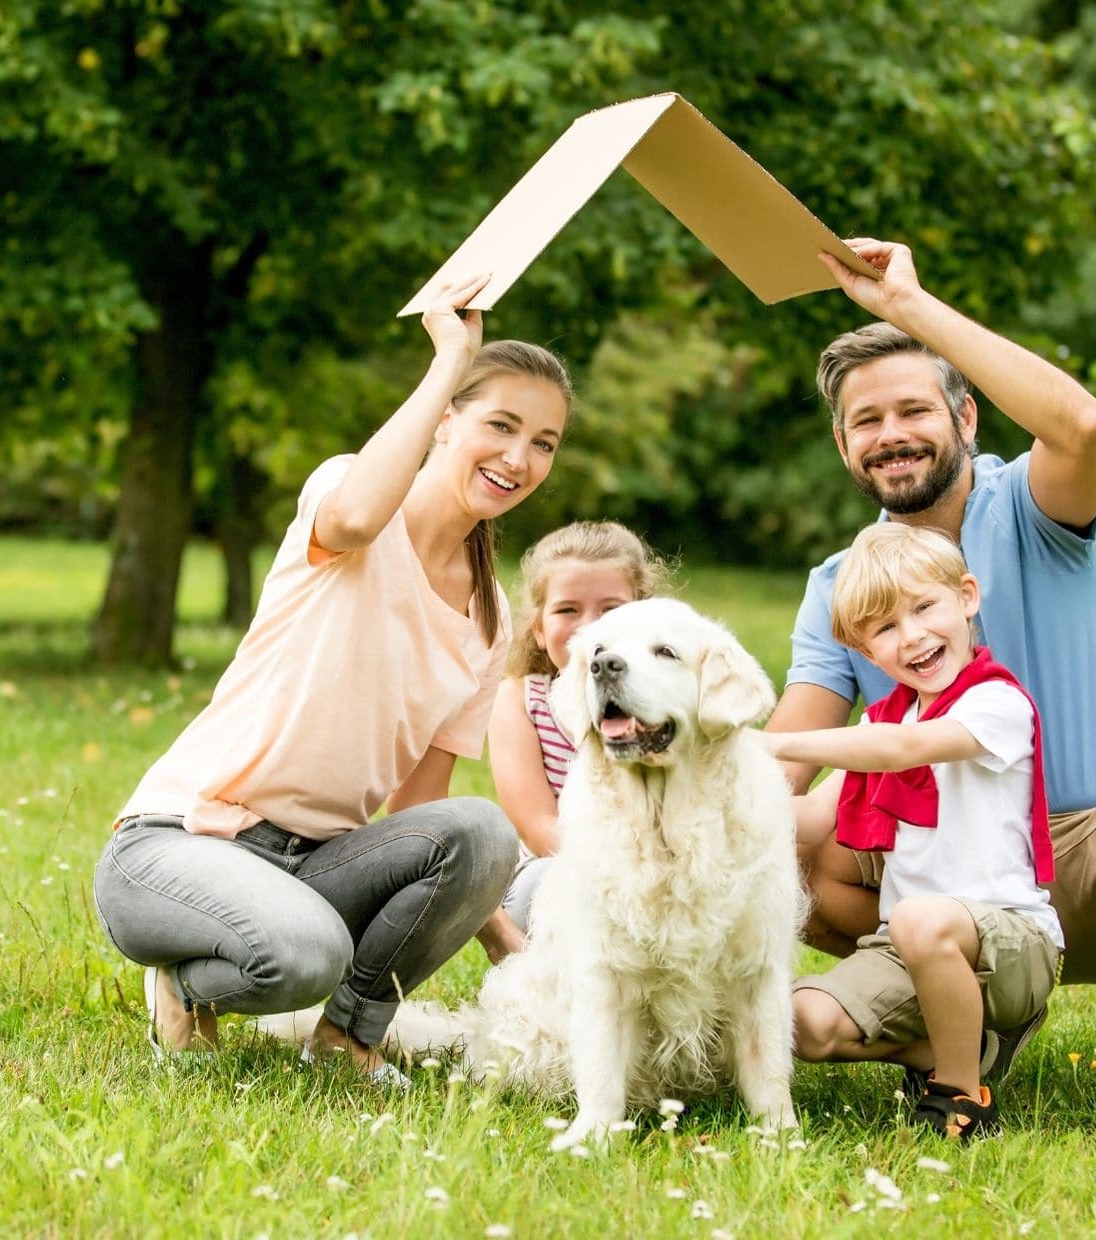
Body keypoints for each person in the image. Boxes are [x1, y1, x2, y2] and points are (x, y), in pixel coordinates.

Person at [768, 237, 1096, 1137]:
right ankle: (949, 1036)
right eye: (865, 421)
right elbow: (780, 770)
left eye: (914, 409)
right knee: (776, 843)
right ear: (842, 444)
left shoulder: (1036, 506)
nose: (891, 435)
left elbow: (1082, 425)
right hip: (947, 878)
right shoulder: (843, 581)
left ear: (967, 421)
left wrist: (904, 306)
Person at [91, 275, 567, 1086]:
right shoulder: (350, 501)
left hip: (315, 865)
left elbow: (422, 813)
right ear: (446, 419)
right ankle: (182, 980)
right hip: (179, 846)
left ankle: (348, 1041)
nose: (519, 459)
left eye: (545, 443)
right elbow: (353, 518)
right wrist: (449, 358)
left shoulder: (489, 617)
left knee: (483, 830)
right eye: (500, 425)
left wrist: (511, 953)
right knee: (303, 957)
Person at [766, 522, 1059, 1140]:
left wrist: (772, 742)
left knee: (920, 917)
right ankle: (951, 1047)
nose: (914, 636)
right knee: (796, 1022)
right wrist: (704, 805)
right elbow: (814, 818)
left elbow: (904, 748)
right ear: (868, 654)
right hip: (908, 948)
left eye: (925, 607)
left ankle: (961, 1095)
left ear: (967, 597)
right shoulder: (885, 718)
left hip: (1013, 942)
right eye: (886, 629)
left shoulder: (995, 704)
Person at [488, 521, 669, 932]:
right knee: (545, 884)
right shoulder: (521, 701)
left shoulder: (668, 706)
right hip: (559, 873)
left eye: (612, 610)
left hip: (664, 875)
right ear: (538, 628)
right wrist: (629, 875)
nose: (590, 628)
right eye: (567, 610)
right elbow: (538, 827)